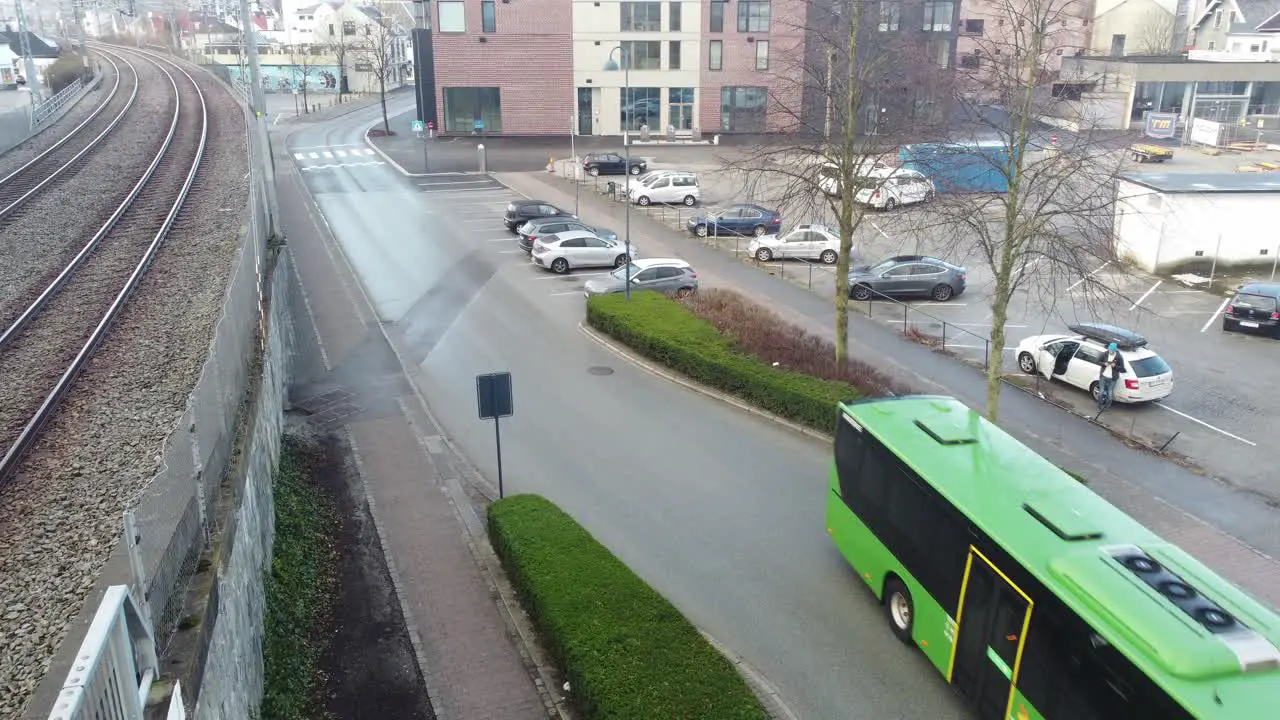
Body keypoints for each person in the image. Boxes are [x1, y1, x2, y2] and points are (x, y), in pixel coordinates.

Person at [1097, 342, 1126, 411]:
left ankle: (1107, 407)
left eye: (1112, 351)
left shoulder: (1119, 357)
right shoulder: (1104, 354)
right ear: (1108, 349)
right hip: (1103, 376)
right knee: (1101, 392)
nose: (1111, 352)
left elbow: (1122, 369)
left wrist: (1115, 366)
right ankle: (1100, 405)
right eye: (1110, 350)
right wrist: (1104, 364)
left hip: (1113, 378)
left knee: (1110, 394)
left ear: (1115, 350)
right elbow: (1098, 361)